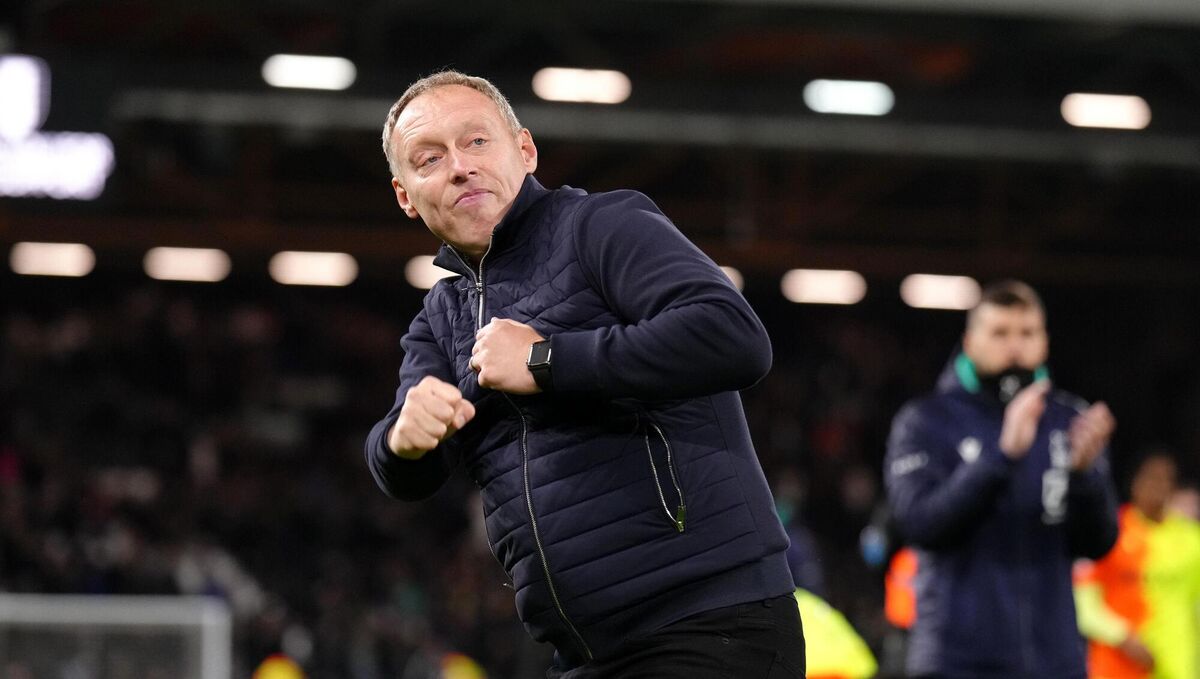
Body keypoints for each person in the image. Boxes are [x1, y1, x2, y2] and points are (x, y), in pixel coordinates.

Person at [364, 70, 803, 678]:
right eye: (429, 158)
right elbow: (407, 471)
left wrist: (547, 360)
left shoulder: (601, 226)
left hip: (706, 623)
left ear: (525, 150)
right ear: (405, 195)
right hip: (582, 652)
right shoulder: (438, 320)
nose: (459, 166)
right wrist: (400, 441)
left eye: (477, 142)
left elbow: (734, 336)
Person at [883, 280, 1120, 679]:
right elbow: (919, 524)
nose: (1014, 346)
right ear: (970, 341)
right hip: (956, 661)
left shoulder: (1069, 421)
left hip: (1055, 661)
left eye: (1027, 333)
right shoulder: (926, 420)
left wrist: (1084, 479)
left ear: (1044, 342)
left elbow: (1098, 544)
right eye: (999, 333)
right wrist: (1001, 455)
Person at [1073, 450, 1200, 679]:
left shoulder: (1192, 539)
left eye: (1167, 479)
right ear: (1134, 482)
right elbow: (1083, 606)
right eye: (1151, 478)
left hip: (1178, 666)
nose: (1159, 486)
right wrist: (1122, 636)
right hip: (1118, 665)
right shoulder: (1109, 532)